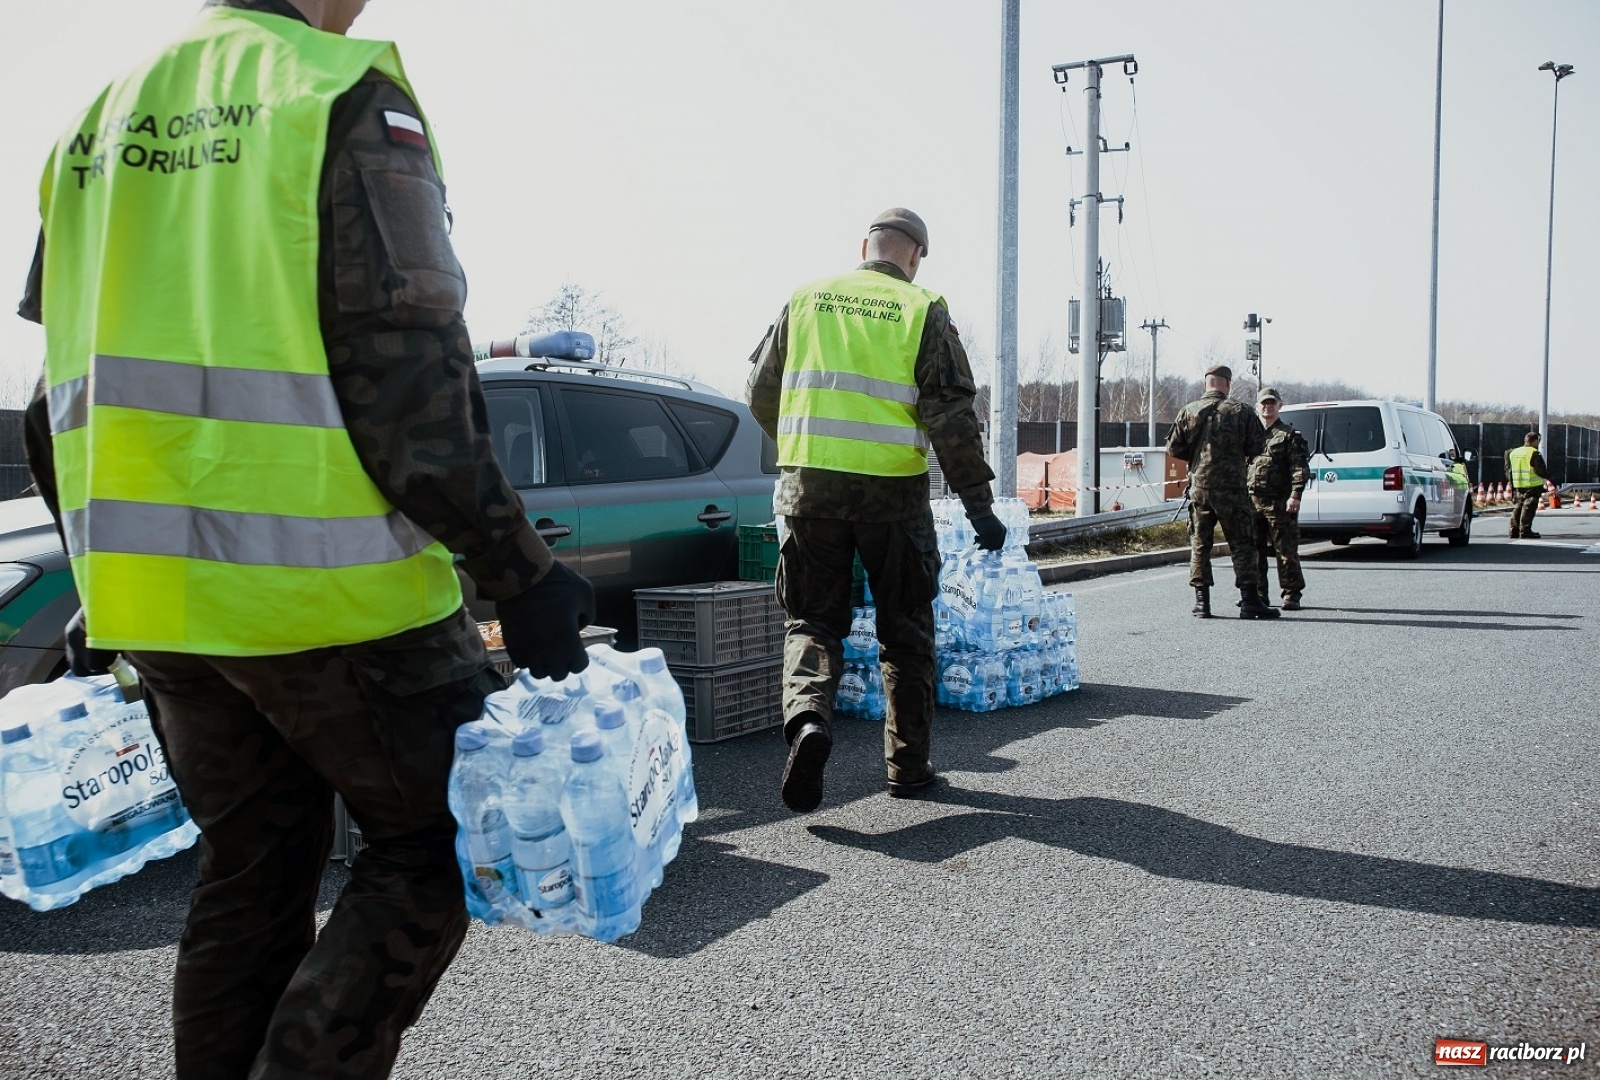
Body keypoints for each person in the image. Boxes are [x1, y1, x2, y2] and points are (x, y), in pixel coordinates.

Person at [18, 1, 594, 1076]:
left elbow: (52, 395)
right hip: (336, 602)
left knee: (252, 872)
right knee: (436, 844)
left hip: (163, 611)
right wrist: (522, 570)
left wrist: (97, 567)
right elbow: (412, 381)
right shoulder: (333, 92)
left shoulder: (92, 123)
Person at [746, 207, 1002, 814]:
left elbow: (760, 391)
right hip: (893, 496)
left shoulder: (806, 299)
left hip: (809, 492)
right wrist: (979, 507)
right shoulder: (922, 309)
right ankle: (907, 769)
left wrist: (803, 452)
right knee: (906, 630)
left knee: (813, 621)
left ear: (864, 244)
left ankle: (809, 721)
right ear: (914, 256)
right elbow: (953, 420)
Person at [1165, 365, 1277, 620]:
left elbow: (1173, 448)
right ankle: (1250, 601)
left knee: (1200, 544)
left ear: (1207, 383)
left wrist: (1199, 458)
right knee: (1243, 544)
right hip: (1233, 489)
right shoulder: (1241, 411)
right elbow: (1258, 446)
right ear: (1226, 384)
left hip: (1200, 489)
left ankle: (1202, 603)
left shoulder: (1188, 411)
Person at [1247, 387, 1311, 610]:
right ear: (1257, 407)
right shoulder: (1251, 436)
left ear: (1279, 405)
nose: (1268, 406)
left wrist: (1295, 495)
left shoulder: (1289, 436)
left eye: (1272, 403)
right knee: (1254, 551)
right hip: (1253, 502)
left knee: (1285, 550)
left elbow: (1299, 468)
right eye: (1264, 403)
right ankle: (1258, 595)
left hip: (1280, 503)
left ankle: (1291, 593)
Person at [1505, 431, 1551, 539]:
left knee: (1517, 507)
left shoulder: (1512, 452)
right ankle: (1525, 531)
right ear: (1534, 441)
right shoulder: (1534, 453)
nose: (1538, 443)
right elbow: (1541, 470)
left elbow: (1508, 470)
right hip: (1532, 485)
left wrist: (1512, 482)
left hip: (1518, 485)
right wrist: (1548, 476)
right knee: (1528, 509)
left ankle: (1513, 530)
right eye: (1538, 441)